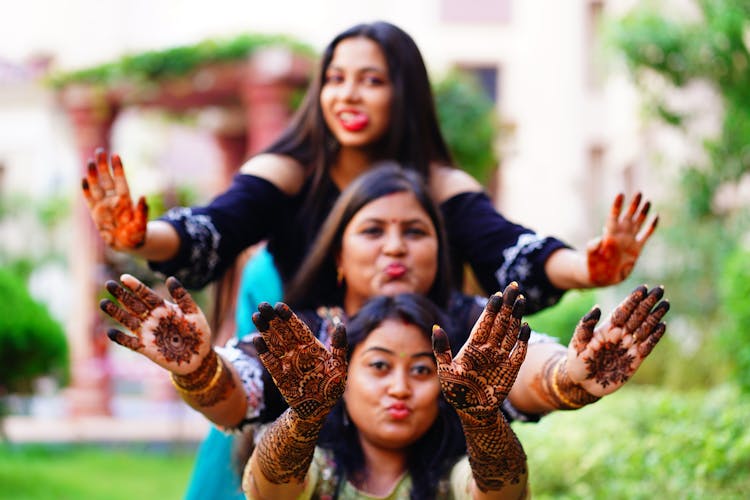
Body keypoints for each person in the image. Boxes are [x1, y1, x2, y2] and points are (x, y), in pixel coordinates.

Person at [99, 166, 669, 496]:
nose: (395, 245)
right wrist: (199, 369)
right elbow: (236, 394)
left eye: (414, 231)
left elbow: (534, 366)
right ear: (339, 255)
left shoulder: (471, 320)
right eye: (373, 230)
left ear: (439, 250)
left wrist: (571, 377)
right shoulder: (303, 334)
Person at [81, 21, 658, 315]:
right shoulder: (288, 172)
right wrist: (143, 235)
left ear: (404, 92)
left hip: (405, 389)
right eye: (335, 78)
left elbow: (511, 251)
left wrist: (589, 266)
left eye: (371, 80)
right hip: (296, 389)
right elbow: (213, 229)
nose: (348, 96)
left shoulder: (439, 187)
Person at [243, 288, 530, 499]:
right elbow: (271, 491)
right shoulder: (319, 470)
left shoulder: (452, 478)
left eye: (420, 370)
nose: (400, 388)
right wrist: (304, 418)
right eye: (380, 365)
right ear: (342, 378)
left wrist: (482, 421)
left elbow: (501, 495)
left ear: (445, 388)